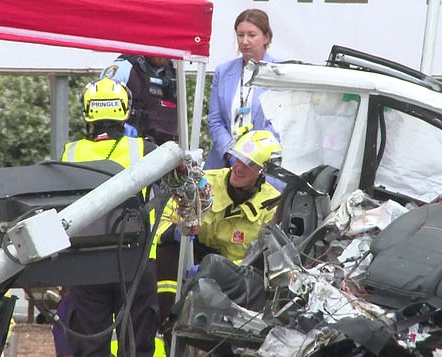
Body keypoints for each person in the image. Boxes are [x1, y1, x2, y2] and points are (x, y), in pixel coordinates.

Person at [56, 77, 159, 357]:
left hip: (86, 262)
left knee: (88, 346)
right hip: (135, 260)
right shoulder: (144, 150)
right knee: (138, 344)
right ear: (124, 110)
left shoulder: (70, 152)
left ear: (89, 112)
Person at [155, 130, 282, 346]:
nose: (238, 167)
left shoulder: (271, 205)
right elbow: (162, 225)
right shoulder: (203, 183)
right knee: (166, 253)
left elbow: (261, 262)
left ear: (262, 172)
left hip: (233, 278)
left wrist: (210, 272)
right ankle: (167, 326)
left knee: (213, 265)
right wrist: (176, 232)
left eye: (249, 164)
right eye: (237, 158)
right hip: (191, 255)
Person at [204, 9, 279, 170]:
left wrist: (250, 155)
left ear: (266, 37)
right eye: (240, 35)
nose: (245, 41)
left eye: (251, 35)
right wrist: (231, 153)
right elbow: (215, 120)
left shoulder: (279, 72)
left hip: (263, 164)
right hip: (224, 163)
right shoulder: (223, 71)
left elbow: (279, 123)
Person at [101, 54, 178, 145]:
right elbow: (102, 107)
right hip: (131, 145)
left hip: (167, 148)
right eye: (162, 46)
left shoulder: (175, 72)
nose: (166, 54)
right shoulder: (123, 69)